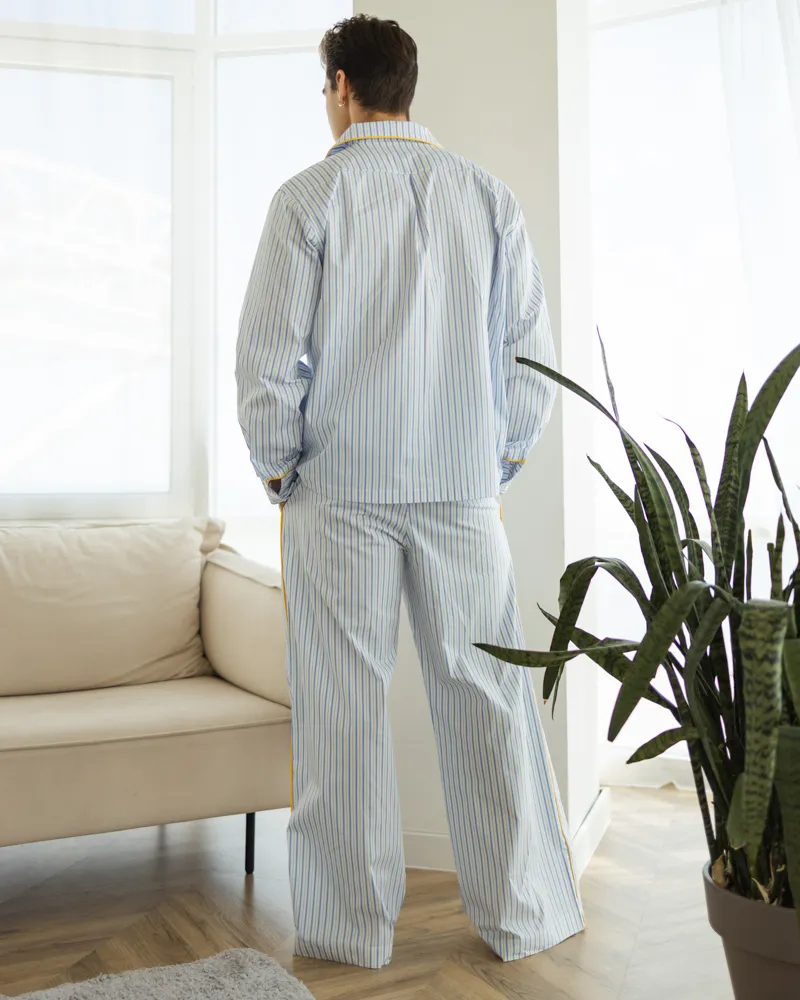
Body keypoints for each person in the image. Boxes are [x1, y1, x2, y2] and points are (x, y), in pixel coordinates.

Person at [236, 13, 584, 970]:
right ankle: (523, 914)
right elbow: (529, 359)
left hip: (338, 494)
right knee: (488, 699)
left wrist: (280, 466)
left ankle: (349, 931)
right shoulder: (487, 195)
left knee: (342, 712)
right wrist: (494, 462)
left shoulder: (308, 198)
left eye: (325, 88)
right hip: (460, 492)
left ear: (343, 87)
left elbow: (266, 359)